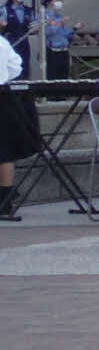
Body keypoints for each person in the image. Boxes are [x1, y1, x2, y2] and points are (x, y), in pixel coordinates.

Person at [0, 32, 34, 219]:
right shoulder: (3, 42)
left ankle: (4, 198)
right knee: (4, 153)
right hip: (5, 95)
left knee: (3, 152)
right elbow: (15, 65)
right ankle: (5, 197)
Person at [40, 0, 75, 81]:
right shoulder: (44, 16)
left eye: (59, 0)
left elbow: (64, 35)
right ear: (48, 3)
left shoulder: (59, 16)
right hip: (52, 51)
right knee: (53, 78)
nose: (59, 2)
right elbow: (47, 32)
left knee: (63, 77)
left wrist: (74, 29)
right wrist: (60, 24)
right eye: (56, 0)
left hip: (63, 51)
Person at [4, 0, 33, 75]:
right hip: (11, 42)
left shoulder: (28, 10)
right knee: (12, 67)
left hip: (25, 42)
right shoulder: (4, 10)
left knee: (25, 67)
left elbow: (35, 24)